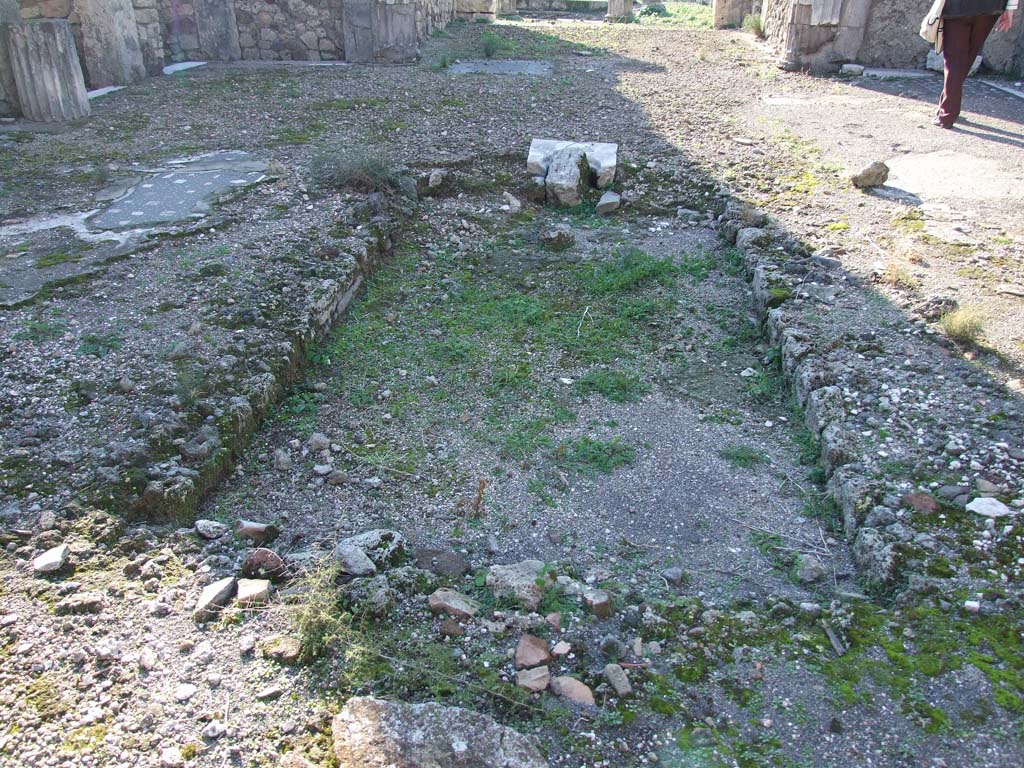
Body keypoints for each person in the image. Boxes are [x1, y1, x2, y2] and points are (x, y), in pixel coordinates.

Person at [935, 0, 1017, 128]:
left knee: (955, 60)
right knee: (967, 57)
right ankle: (946, 107)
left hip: (958, 6)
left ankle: (947, 115)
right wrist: (1010, 7)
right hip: (990, 6)